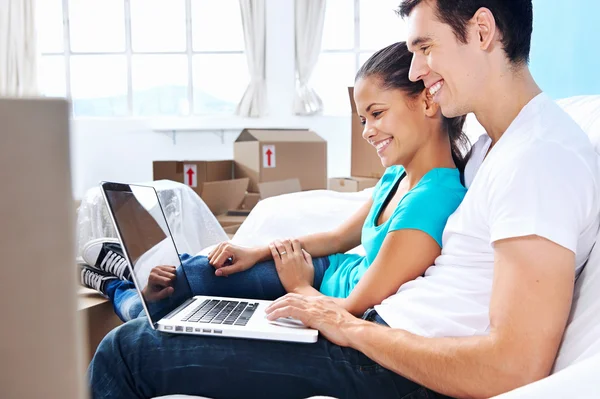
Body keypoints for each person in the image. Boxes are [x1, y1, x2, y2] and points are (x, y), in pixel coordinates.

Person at [89, 1, 600, 398]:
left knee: (126, 352)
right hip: (378, 340)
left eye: (426, 48)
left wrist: (344, 324)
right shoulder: (496, 145)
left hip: (390, 372)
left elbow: (511, 367)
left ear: (483, 31)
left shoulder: (539, 159)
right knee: (178, 314)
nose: (418, 69)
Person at [80, 41, 468, 323]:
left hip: (318, 296)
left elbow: (356, 309)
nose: (367, 132)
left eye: (376, 113)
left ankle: (115, 282)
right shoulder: (396, 176)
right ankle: (124, 272)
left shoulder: (434, 199)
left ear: (428, 102)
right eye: (363, 119)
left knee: (159, 305)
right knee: (192, 274)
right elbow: (336, 239)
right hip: (321, 269)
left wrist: (299, 285)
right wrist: (257, 251)